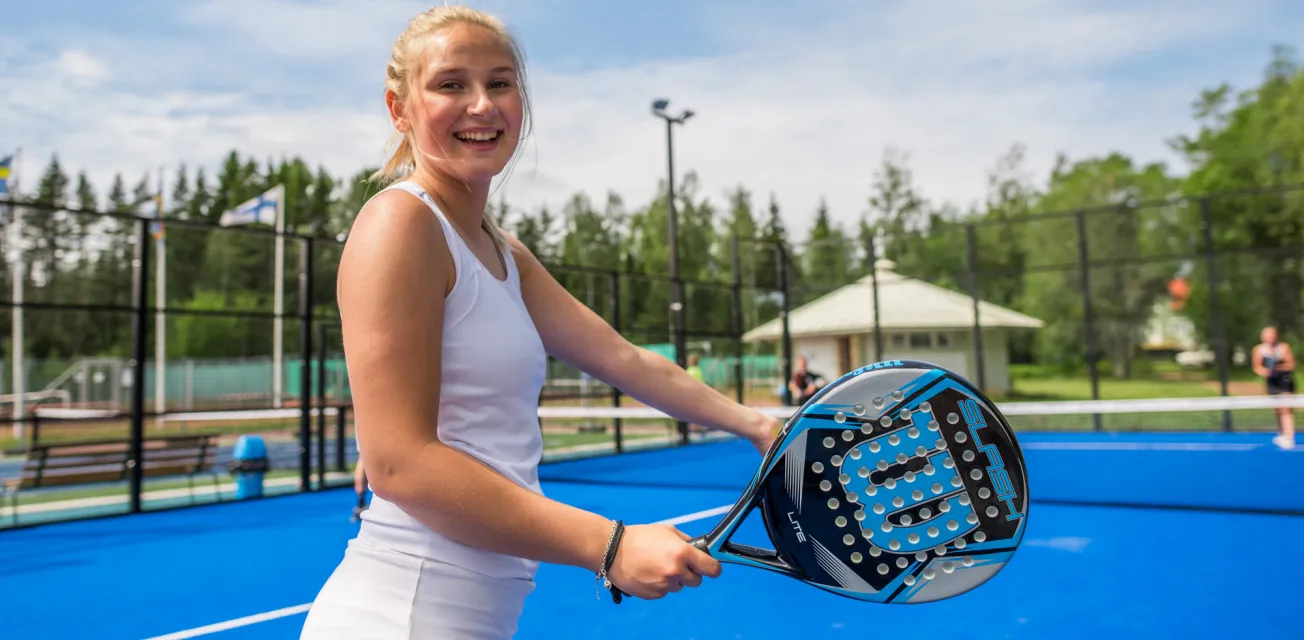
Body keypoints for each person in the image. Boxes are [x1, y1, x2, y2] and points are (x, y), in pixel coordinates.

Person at [299, 7, 781, 638]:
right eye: (451, 85)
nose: (482, 105)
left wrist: (759, 424)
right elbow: (397, 464)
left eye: (500, 83)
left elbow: (622, 358)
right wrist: (609, 545)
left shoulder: (504, 252)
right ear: (400, 108)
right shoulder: (400, 224)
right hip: (402, 615)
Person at [1252, 326, 1295, 449]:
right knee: (1277, 409)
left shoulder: (1283, 348)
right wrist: (1267, 372)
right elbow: (1257, 367)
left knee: (1286, 409)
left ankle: (1289, 437)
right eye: (1267, 335)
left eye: (1272, 335)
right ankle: (1282, 434)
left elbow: (1291, 364)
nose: (1270, 338)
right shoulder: (1259, 350)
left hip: (1284, 381)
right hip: (1272, 383)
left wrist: (1278, 369)